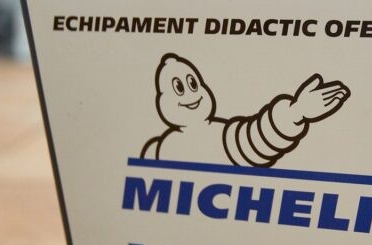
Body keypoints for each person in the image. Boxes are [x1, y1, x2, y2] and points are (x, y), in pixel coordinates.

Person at [141, 53, 350, 167]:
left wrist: (295, 113)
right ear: (163, 101)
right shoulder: (159, 149)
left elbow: (254, 139)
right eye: (178, 88)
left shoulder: (220, 135)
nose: (190, 95)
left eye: (193, 84)